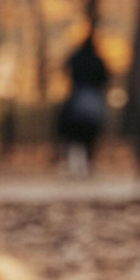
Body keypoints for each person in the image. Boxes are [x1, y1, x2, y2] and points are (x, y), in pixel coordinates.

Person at [57, 34, 109, 175]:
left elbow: (65, 68)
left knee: (72, 134)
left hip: (77, 98)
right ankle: (87, 164)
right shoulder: (98, 61)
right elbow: (105, 79)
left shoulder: (76, 59)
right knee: (89, 135)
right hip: (93, 99)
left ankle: (71, 164)